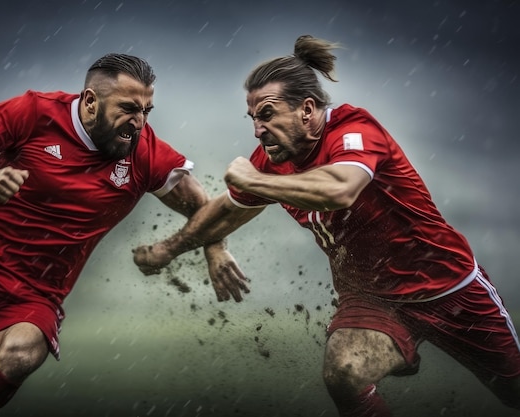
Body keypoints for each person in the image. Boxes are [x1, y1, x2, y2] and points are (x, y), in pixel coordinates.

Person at [133, 35, 520, 416]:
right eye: (253, 118)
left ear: (307, 108)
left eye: (267, 114)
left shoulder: (355, 130)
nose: (257, 130)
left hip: (450, 290)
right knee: (344, 373)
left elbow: (341, 189)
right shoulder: (273, 158)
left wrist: (254, 181)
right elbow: (226, 211)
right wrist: (170, 248)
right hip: (373, 299)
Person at [0, 53, 248, 416]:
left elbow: (201, 205)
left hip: (38, 291)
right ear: (91, 102)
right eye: (128, 108)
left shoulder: (145, 153)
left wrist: (215, 249)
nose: (138, 122)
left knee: (20, 355)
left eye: (146, 110)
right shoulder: (34, 112)